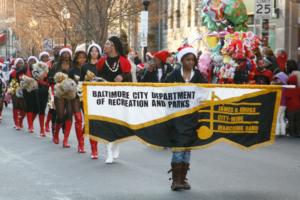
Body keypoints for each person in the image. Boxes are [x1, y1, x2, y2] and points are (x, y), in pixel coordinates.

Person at [165, 46, 207, 191]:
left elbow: (205, 91)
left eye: (192, 60)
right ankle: (176, 180)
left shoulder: (199, 76)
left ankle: (183, 178)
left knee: (187, 147)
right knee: (179, 147)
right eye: (187, 59)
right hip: (176, 118)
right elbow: (163, 91)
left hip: (192, 118)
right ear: (181, 60)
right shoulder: (173, 75)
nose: (190, 62)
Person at [96, 36, 132, 164]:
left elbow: (129, 77)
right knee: (107, 124)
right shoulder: (101, 62)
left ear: (114, 47)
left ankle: (116, 143)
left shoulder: (124, 61)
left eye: (107, 44)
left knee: (117, 123)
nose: (104, 46)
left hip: (119, 97)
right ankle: (109, 152)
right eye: (105, 44)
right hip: (105, 97)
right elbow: (97, 77)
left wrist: (122, 76)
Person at [48, 48, 73, 146]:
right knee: (61, 115)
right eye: (64, 53)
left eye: (68, 53)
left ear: (70, 56)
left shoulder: (73, 65)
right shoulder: (55, 65)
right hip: (59, 92)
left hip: (71, 92)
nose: (66, 55)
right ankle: (56, 134)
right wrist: (57, 79)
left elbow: (77, 76)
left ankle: (65, 140)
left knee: (70, 114)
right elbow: (49, 79)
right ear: (61, 55)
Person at [81, 43, 102, 159]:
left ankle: (95, 148)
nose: (94, 53)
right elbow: (81, 83)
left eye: (96, 51)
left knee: (96, 123)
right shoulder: (85, 66)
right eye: (92, 51)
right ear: (89, 53)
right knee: (90, 122)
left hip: (99, 97)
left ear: (99, 53)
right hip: (87, 96)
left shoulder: (102, 65)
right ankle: (93, 149)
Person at [68, 44, 87, 153]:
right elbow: (69, 85)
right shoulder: (72, 71)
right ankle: (81, 144)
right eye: (80, 57)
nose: (82, 59)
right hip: (75, 97)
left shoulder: (89, 68)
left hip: (87, 97)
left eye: (84, 57)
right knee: (78, 120)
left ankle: (83, 136)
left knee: (88, 121)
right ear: (76, 58)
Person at [22, 56, 39, 133]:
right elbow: (18, 73)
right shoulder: (25, 68)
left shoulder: (38, 69)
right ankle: (30, 126)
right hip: (27, 90)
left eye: (34, 61)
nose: (32, 62)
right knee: (30, 106)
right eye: (30, 61)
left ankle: (30, 122)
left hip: (36, 90)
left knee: (36, 108)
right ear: (28, 62)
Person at [9, 58, 26, 130]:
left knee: (24, 107)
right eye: (19, 63)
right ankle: (16, 123)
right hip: (15, 89)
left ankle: (20, 121)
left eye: (22, 63)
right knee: (16, 106)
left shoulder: (25, 72)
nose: (20, 64)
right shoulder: (13, 72)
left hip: (24, 90)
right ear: (16, 64)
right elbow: (11, 80)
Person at [285, 59, 300, 137]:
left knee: (292, 119)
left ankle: (292, 132)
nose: (285, 66)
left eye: (286, 65)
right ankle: (297, 132)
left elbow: (287, 96)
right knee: (297, 119)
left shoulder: (293, 76)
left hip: (292, 105)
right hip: (297, 102)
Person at [271, 72, 288, 136]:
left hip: (279, 104)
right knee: (281, 118)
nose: (277, 80)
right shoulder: (286, 87)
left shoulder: (279, 87)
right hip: (284, 105)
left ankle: (277, 132)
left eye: (278, 79)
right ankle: (283, 132)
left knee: (277, 118)